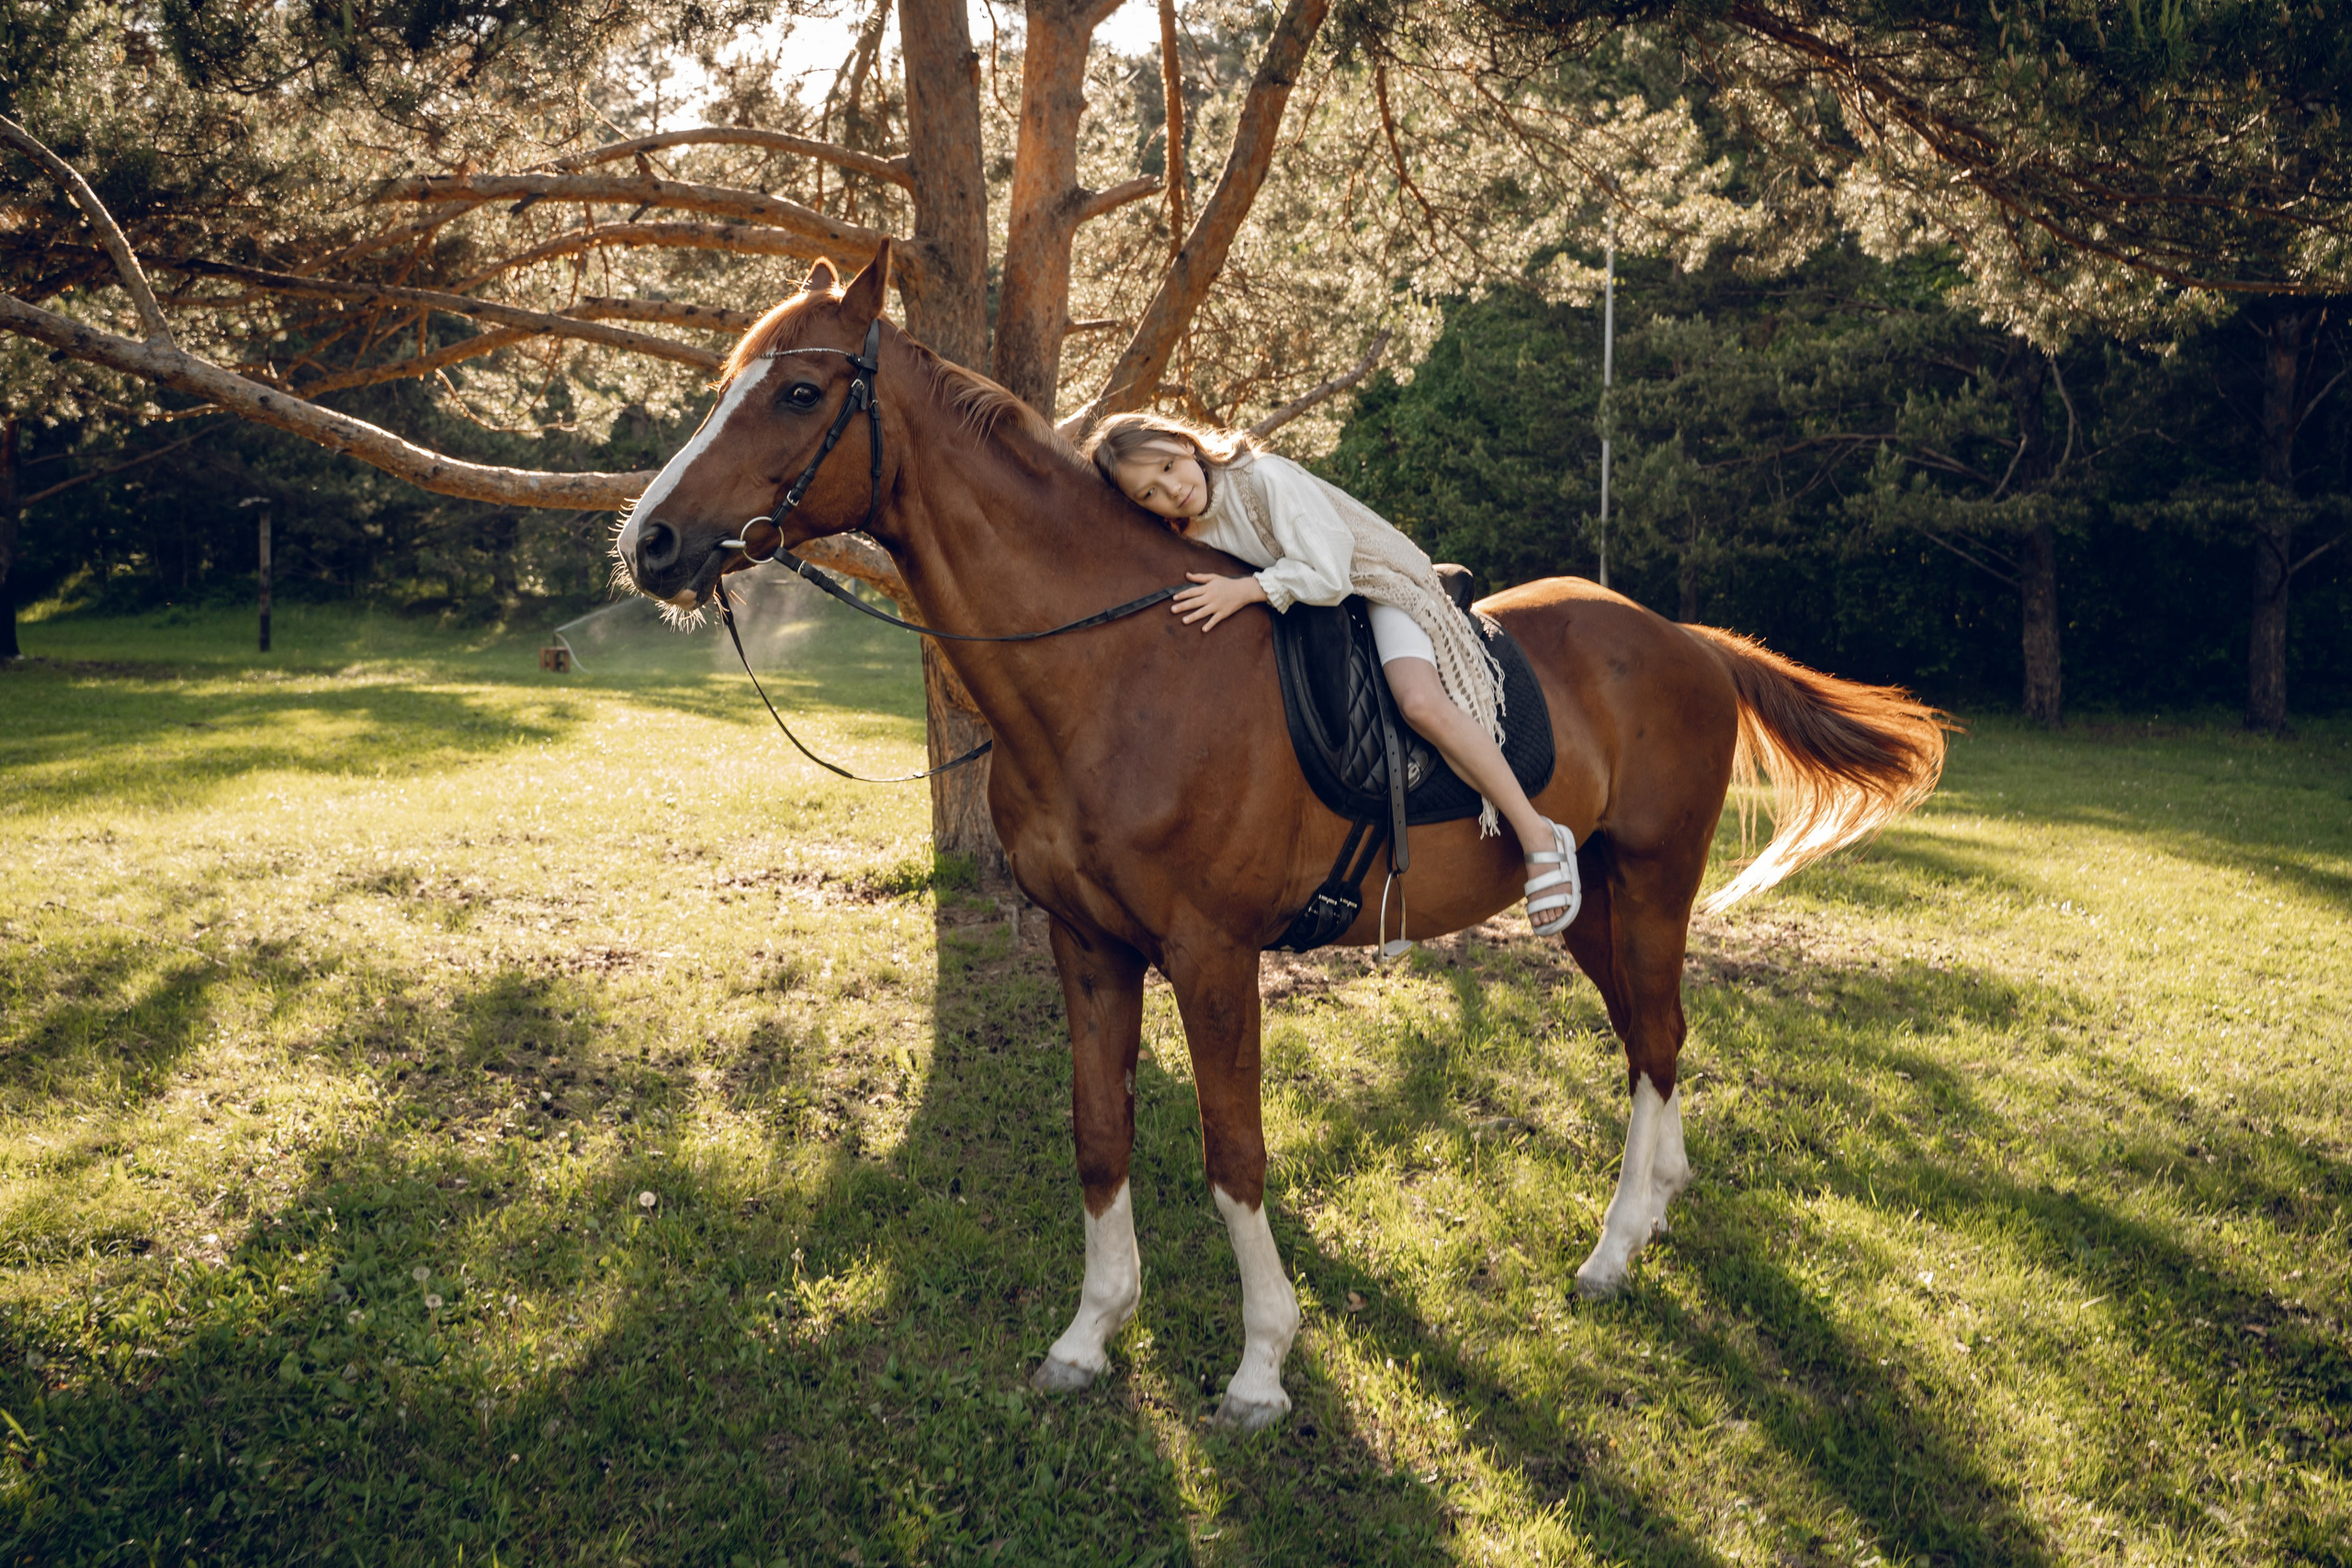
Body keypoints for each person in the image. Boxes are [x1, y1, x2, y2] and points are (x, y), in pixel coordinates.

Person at [1080, 412, 1580, 936]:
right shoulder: (1188, 532)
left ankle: (1537, 833)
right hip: (1314, 608)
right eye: (1149, 494)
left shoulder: (1262, 480)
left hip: (1373, 582)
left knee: (1418, 701)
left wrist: (1246, 590)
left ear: (1185, 443)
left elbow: (1331, 572)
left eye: (1167, 467)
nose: (1172, 490)